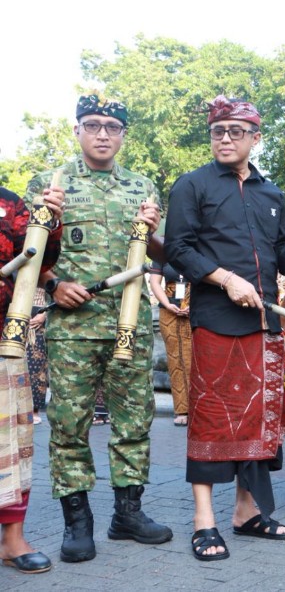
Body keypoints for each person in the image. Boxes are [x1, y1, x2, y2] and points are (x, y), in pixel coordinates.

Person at [165, 96, 285, 561]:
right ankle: (204, 521)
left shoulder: (271, 193)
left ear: (256, 138)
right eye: (218, 131)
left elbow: (281, 253)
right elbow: (177, 248)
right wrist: (226, 279)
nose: (226, 139)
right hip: (216, 320)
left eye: (236, 131)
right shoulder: (191, 185)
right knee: (212, 419)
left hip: (265, 321)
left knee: (258, 419)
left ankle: (246, 513)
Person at [30, 95, 170, 564]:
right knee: (69, 424)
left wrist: (152, 231)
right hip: (73, 327)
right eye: (93, 125)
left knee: (134, 421)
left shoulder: (142, 186)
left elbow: (161, 254)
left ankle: (128, 514)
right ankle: (77, 522)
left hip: (129, 324)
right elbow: (26, 251)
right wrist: (54, 284)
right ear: (77, 131)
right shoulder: (50, 184)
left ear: (123, 134)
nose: (103, 134)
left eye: (112, 126)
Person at [0, 184, 64, 574]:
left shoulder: (9, 204)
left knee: (12, 441)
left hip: (4, 340)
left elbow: (40, 260)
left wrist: (51, 223)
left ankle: (12, 540)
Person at [147, 261, 191, 427]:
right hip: (169, 310)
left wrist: (193, 304)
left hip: (196, 308)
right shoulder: (161, 253)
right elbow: (155, 282)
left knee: (195, 359)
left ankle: (198, 408)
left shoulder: (200, 249)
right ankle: (181, 409)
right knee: (175, 360)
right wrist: (167, 304)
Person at [26, 290, 48, 424]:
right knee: (10, 362)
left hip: (39, 314)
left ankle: (34, 410)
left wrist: (44, 314)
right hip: (14, 312)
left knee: (37, 366)